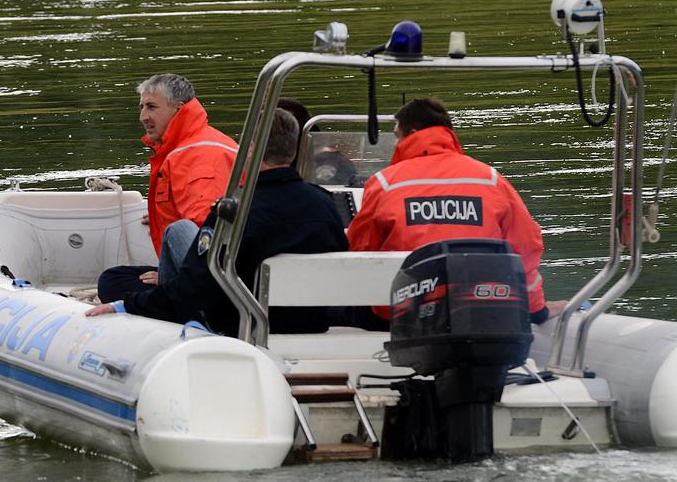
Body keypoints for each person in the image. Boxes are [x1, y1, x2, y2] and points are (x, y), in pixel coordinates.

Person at [87, 108, 348, 335]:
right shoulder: (325, 204)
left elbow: (195, 286)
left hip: (243, 325)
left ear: (251, 150)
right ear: (293, 152)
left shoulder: (233, 210)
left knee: (171, 236)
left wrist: (127, 305)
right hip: (312, 322)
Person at [346, 97, 562, 325]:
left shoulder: (384, 183)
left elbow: (359, 249)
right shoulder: (490, 179)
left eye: (397, 137)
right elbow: (526, 246)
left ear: (411, 133)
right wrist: (535, 308)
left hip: (404, 314)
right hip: (480, 308)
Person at [99, 73, 238, 299]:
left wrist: (170, 276)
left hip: (211, 281)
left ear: (178, 109)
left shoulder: (197, 156)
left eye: (152, 107)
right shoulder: (195, 143)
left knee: (112, 283)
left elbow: (206, 232)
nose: (143, 116)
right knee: (115, 278)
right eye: (142, 107)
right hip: (214, 268)